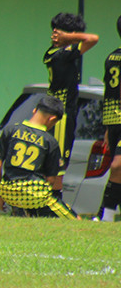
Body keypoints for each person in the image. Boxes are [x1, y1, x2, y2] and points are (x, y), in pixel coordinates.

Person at [0, 95, 78, 219]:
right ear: (52, 119)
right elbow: (51, 180)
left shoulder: (10, 130)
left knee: (22, 200)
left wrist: (0, 195)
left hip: (8, 192)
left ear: (34, 111)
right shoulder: (50, 141)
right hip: (34, 194)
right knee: (75, 220)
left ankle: (22, 211)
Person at [43, 12, 98, 173]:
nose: (55, 33)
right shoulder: (63, 54)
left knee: (53, 163)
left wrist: (70, 37)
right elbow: (93, 38)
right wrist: (68, 36)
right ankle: (54, 197)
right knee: (58, 165)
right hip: (62, 114)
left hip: (57, 110)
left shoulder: (55, 52)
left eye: (59, 30)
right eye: (54, 29)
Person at [97, 14, 121, 221]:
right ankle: (106, 214)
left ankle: (106, 214)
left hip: (112, 119)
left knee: (118, 167)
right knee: (117, 166)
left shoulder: (111, 56)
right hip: (117, 120)